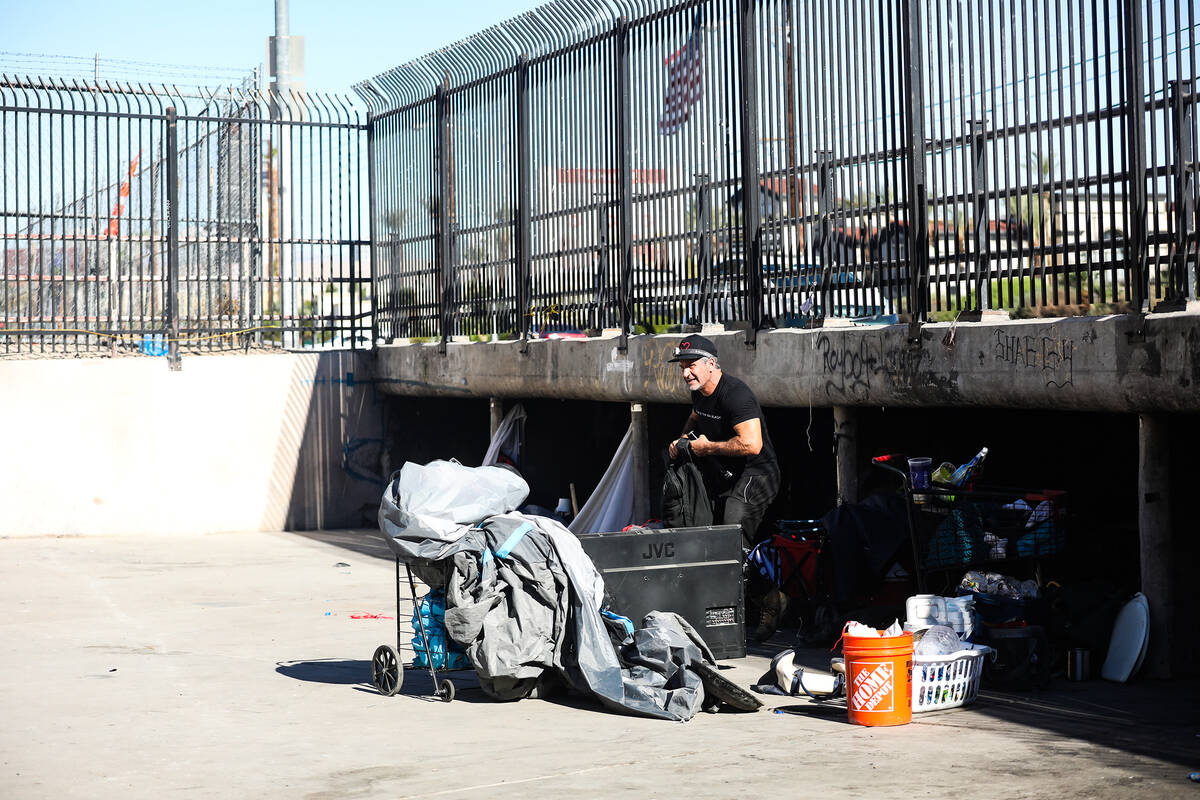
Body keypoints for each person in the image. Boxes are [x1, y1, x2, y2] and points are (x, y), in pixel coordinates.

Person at [666, 334, 786, 639]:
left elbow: (752, 444)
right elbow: (695, 417)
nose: (685, 373)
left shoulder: (735, 394)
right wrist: (682, 440)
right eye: (682, 366)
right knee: (713, 541)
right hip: (727, 476)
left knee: (730, 541)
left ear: (711, 364)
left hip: (757, 476)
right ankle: (757, 602)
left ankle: (764, 605)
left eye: (691, 365)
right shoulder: (699, 392)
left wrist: (708, 449)